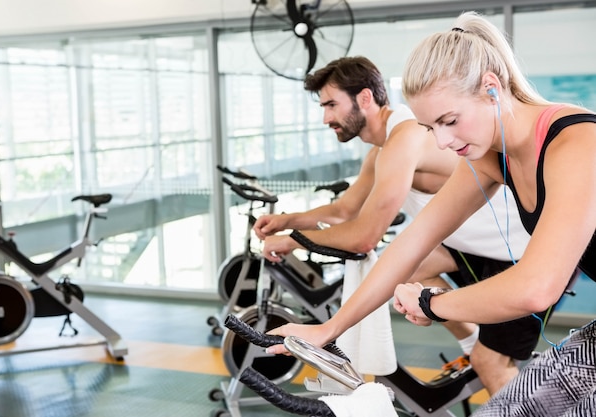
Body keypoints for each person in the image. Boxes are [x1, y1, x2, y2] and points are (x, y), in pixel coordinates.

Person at [267, 11, 596, 416]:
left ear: (491, 88)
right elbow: (412, 242)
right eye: (431, 127)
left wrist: (431, 303)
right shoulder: (493, 156)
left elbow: (536, 288)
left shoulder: (579, 143)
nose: (442, 141)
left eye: (450, 121)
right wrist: (330, 328)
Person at [254, 56, 534, 394]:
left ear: (365, 98)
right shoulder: (382, 148)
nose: (326, 117)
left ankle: (484, 357)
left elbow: (364, 237)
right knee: (406, 272)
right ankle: (472, 341)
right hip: (468, 247)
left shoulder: (405, 137)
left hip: (516, 254)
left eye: (331, 104)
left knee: (493, 364)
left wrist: (295, 240)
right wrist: (287, 221)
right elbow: (345, 209)